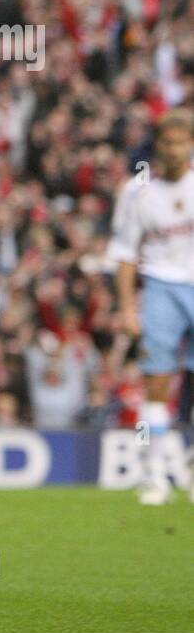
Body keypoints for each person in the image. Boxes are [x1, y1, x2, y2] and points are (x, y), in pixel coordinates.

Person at [107, 107, 194, 505]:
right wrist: (127, 308)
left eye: (181, 142)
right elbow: (125, 254)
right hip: (159, 287)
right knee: (156, 382)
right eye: (168, 142)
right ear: (157, 146)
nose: (174, 150)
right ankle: (155, 475)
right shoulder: (137, 191)